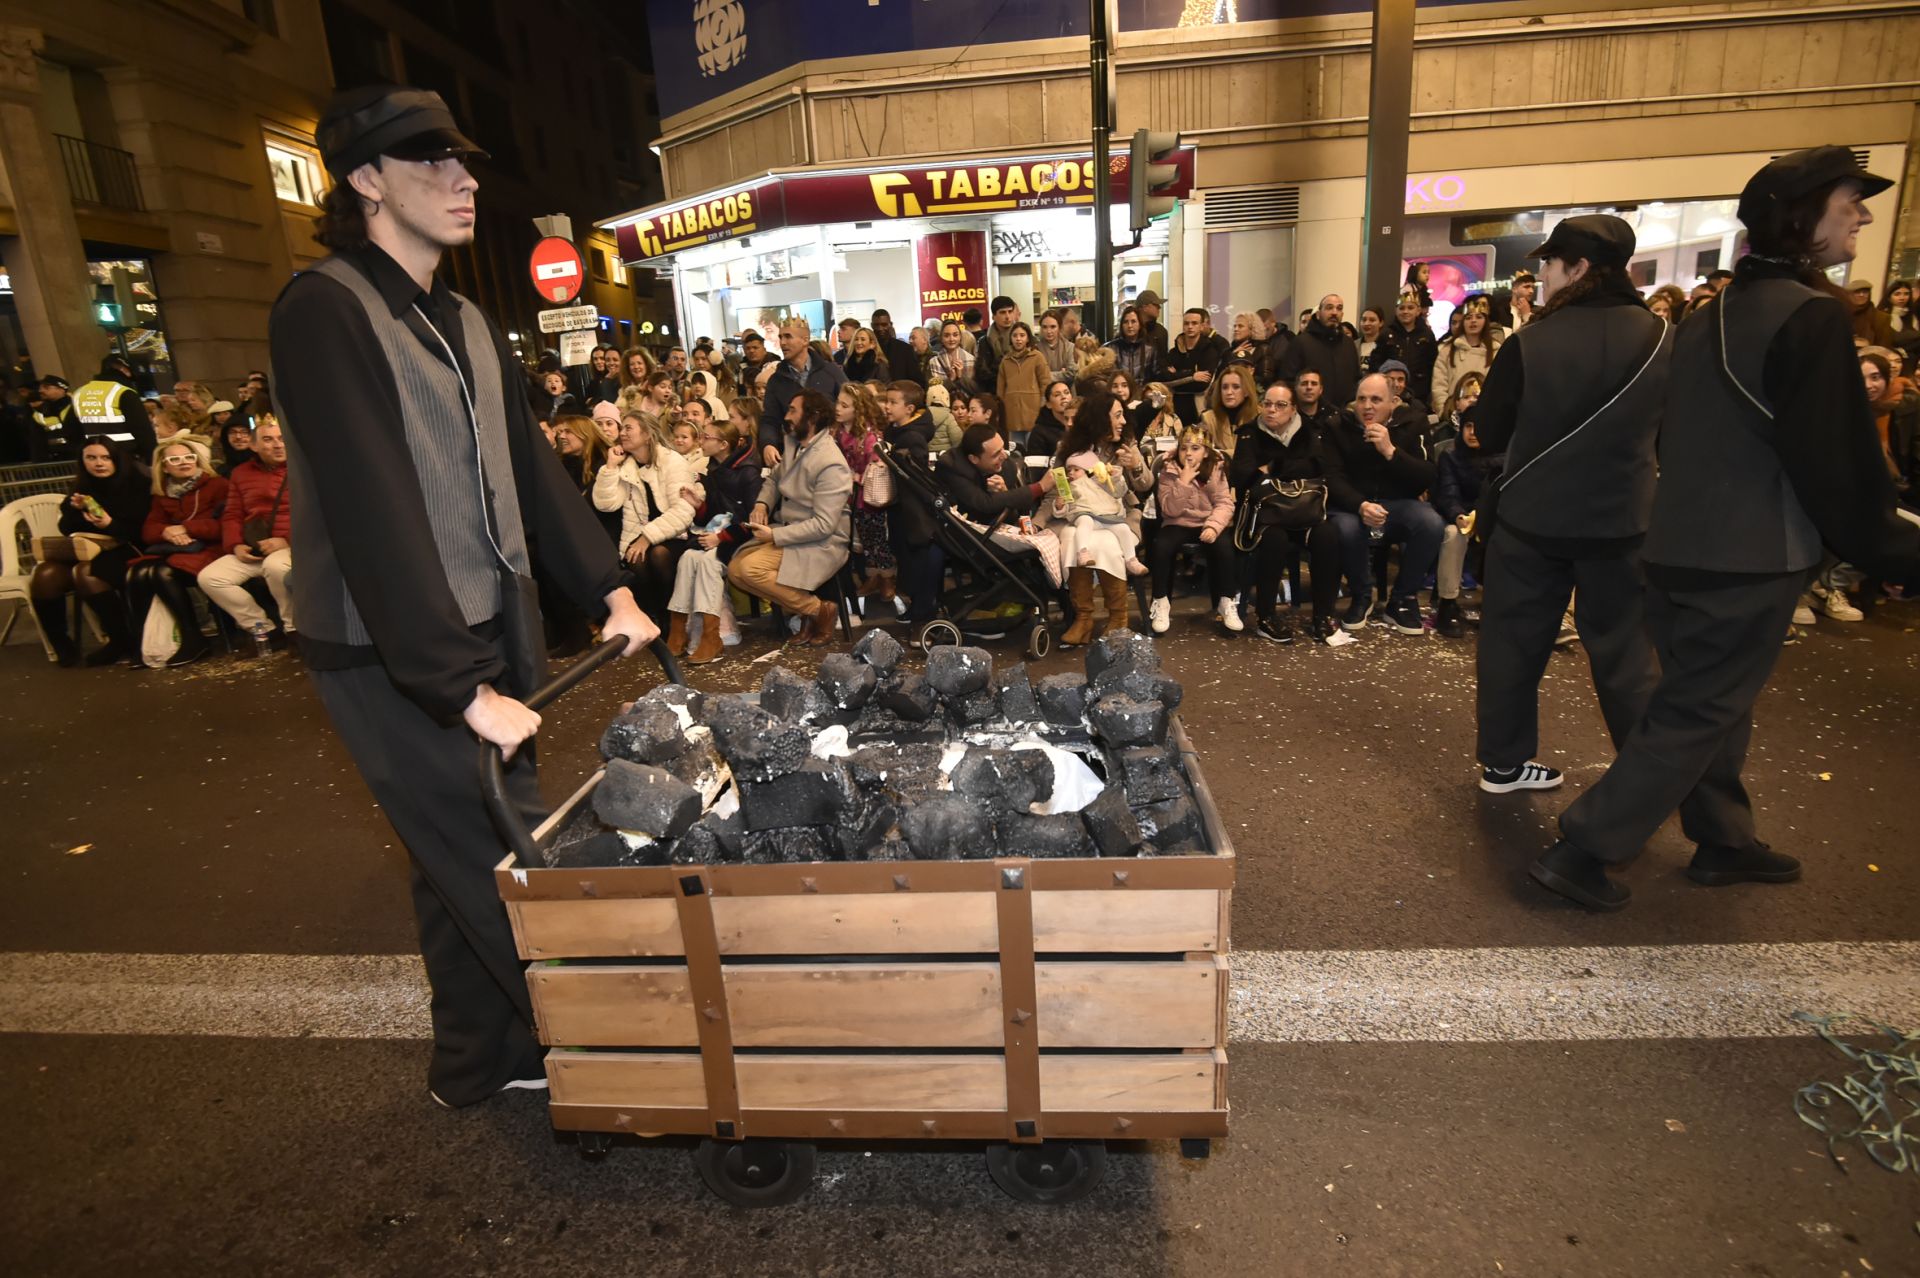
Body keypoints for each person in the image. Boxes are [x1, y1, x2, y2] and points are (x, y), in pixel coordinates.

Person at [270, 85, 658, 1108]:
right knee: (505, 858)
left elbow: (530, 470)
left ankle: (475, 1064)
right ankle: (612, 1056)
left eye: (462, 160)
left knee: (456, 856)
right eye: (429, 161)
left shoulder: (467, 319)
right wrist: (454, 686)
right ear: (365, 181)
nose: (463, 180)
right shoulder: (325, 310)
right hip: (392, 648)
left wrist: (610, 588)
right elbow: (370, 509)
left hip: (495, 619)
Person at [1534, 147, 1920, 912]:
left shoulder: (1709, 315)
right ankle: (1585, 847)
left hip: (1672, 541)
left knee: (1709, 698)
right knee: (1701, 707)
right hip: (1751, 551)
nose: (1863, 218)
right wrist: (1892, 548)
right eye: (1851, 205)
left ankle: (1724, 837)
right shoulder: (1811, 317)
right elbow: (1835, 458)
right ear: (1803, 218)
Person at [1464, 214, 1670, 800]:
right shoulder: (1662, 337)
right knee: (1626, 658)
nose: (1543, 276)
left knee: (1512, 644)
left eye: (1549, 265)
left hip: (1533, 519)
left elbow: (1491, 429)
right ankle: (1647, 781)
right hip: (1622, 522)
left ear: (1578, 268)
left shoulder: (1530, 340)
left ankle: (1503, 765)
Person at [730, 388, 852, 645]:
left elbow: (824, 525)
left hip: (823, 541)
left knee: (750, 570)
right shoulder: (795, 442)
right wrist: (762, 503)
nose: (786, 416)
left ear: (814, 416)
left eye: (793, 410)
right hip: (793, 530)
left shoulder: (831, 462)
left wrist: (774, 534)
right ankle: (811, 610)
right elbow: (775, 477)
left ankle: (820, 611)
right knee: (735, 571)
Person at [1320, 373, 1440, 634]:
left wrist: (1390, 452)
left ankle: (1402, 599)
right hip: (1353, 506)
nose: (1367, 406)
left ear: (1393, 402)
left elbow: (1427, 476)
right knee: (1346, 528)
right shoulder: (1338, 425)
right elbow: (1332, 478)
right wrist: (1361, 505)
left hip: (1397, 504)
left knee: (1431, 523)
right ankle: (1361, 596)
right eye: (1361, 399)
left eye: (1376, 399)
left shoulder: (1414, 423)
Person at [1229, 382, 1342, 643]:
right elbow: (1240, 475)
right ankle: (1266, 616)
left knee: (1327, 535)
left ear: (1293, 410)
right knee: (1275, 539)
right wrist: (1290, 470)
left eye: (1280, 405)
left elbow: (1318, 467)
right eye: (1267, 404)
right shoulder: (1249, 434)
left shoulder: (1310, 431)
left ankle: (1322, 616)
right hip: (1267, 515)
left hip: (1305, 512)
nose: (1271, 410)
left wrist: (1273, 467)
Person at [29, 439, 149, 666]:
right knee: (46, 575)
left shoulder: (137, 485)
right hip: (88, 548)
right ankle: (62, 645)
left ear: (116, 460)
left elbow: (142, 531)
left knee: (87, 572)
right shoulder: (82, 487)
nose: (98, 464)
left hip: (128, 547)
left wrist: (109, 524)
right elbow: (66, 527)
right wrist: (75, 510)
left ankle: (120, 640)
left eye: (105, 458)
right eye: (91, 458)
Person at [666, 401, 764, 664]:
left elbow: (752, 519)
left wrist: (720, 537)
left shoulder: (748, 473)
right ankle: (678, 630)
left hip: (745, 538)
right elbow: (718, 513)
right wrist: (700, 506)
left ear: (724, 445)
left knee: (709, 563)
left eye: (707, 437)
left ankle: (712, 637)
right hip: (721, 533)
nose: (702, 439)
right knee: (687, 559)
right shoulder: (713, 469)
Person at [1046, 391, 1140, 644]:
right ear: (1100, 418)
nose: (1122, 421)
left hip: (1117, 516)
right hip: (1080, 514)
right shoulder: (1067, 450)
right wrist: (1053, 510)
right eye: (1117, 415)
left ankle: (1119, 617)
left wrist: (1135, 467)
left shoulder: (1126, 446)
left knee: (1107, 541)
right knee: (1070, 534)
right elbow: (1058, 491)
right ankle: (1084, 618)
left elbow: (1144, 487)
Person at [127, 437, 228, 667]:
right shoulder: (162, 493)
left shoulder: (217, 485)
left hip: (211, 549)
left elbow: (226, 524)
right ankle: (145, 642)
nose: (183, 463)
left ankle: (193, 637)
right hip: (178, 550)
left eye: (188, 457)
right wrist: (167, 532)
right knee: (138, 573)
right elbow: (149, 530)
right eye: (175, 459)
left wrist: (186, 528)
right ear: (164, 466)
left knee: (162, 573)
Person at [197, 415, 294, 643]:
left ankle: (294, 628)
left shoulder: (302, 469)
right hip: (256, 544)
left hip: (292, 545)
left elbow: (313, 514)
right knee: (211, 577)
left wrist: (286, 540)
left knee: (276, 567)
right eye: (268, 440)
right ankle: (263, 629)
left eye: (281, 438)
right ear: (254, 445)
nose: (278, 444)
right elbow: (232, 513)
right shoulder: (241, 473)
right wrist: (235, 544)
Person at [593, 410, 697, 620]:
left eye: (628, 428)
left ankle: (673, 618)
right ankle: (652, 617)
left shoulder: (672, 461)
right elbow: (606, 504)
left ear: (648, 434)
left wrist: (646, 537)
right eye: (622, 428)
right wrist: (611, 466)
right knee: (636, 559)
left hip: (675, 534)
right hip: (639, 534)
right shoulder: (626, 465)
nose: (622, 433)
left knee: (659, 555)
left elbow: (684, 511)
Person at [1146, 427, 1237, 635]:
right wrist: (1183, 483)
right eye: (1184, 448)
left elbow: (1224, 503)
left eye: (1195, 448)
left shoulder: (1216, 468)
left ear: (1205, 452)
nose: (1188, 453)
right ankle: (1161, 601)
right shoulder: (1168, 470)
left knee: (1224, 547)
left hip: (1207, 521)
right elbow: (1169, 509)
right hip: (1177, 522)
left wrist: (1213, 526)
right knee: (1162, 547)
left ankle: (1226, 600)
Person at [834, 381, 895, 603]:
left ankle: (886, 577)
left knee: (877, 539)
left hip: (870, 496)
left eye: (844, 405)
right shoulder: (839, 432)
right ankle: (873, 577)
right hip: (851, 496)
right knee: (865, 540)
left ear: (857, 409)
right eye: (838, 403)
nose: (838, 409)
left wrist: (857, 477)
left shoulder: (869, 437)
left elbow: (877, 465)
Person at [758, 315, 847, 463]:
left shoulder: (830, 372)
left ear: (805, 340)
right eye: (781, 337)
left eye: (788, 336)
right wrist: (768, 444)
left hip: (833, 452)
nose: (783, 342)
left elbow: (852, 406)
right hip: (796, 455)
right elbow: (770, 419)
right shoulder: (776, 381)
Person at [1282, 294, 1362, 408]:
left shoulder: (1348, 343)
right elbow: (1288, 380)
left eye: (1339, 308)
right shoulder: (1300, 342)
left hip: (1343, 414)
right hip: (1310, 414)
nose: (1334, 312)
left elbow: (1356, 378)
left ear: (1342, 315)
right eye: (1329, 307)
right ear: (1318, 314)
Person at [72, 354, 153, 458]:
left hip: (94, 456)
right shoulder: (124, 392)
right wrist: (152, 459)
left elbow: (73, 431)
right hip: (125, 456)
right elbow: (142, 430)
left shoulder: (79, 393)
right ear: (124, 370)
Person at [1432, 297, 1504, 411]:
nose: (1473, 321)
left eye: (1479, 317)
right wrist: (1445, 411)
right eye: (1468, 318)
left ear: (1486, 321)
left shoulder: (1496, 350)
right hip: (1453, 413)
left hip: (1485, 412)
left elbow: (1500, 386)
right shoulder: (1447, 350)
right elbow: (1439, 386)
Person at [1164, 308, 1229, 425]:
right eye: (1186, 323)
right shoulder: (1173, 352)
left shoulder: (1210, 351)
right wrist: (1192, 376)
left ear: (1201, 326)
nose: (1190, 327)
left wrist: (1176, 376)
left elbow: (1201, 385)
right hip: (1174, 410)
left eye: (1194, 323)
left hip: (1199, 410)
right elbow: (1164, 379)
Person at [995, 321, 1051, 443]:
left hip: (1034, 411)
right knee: (1016, 450)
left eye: (1022, 335)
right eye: (1015, 335)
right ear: (1010, 338)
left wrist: (1043, 404)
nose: (1018, 339)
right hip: (1012, 413)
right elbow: (1000, 389)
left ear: (1028, 338)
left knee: (1033, 448)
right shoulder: (1006, 361)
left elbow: (1045, 383)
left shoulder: (1037, 357)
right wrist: (1001, 409)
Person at [1197, 362, 1256, 455]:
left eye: (1236, 387)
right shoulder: (1208, 418)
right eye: (1224, 387)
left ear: (1246, 391)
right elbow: (1203, 453)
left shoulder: (1260, 417)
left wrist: (1224, 454)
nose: (1229, 392)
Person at [1103, 305, 1161, 388]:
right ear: (1121, 325)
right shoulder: (1110, 349)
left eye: (1133, 321)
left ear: (1140, 324)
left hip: (1142, 396)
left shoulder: (1150, 350)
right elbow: (1103, 377)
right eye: (1126, 322)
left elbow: (1156, 379)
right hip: (1117, 396)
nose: (1129, 326)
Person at [973, 296, 1019, 391]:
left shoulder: (1023, 337)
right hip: (994, 390)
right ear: (993, 316)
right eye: (1002, 312)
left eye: (1010, 312)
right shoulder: (984, 342)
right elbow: (982, 373)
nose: (1007, 317)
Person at [31, 375, 80, 461]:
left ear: (61, 389)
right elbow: (37, 442)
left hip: (79, 456)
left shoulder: (77, 406)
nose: (40, 391)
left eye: (46, 387)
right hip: (55, 461)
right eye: (40, 388)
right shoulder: (39, 413)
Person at [1847, 280, 1895, 348]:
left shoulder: (1881, 317)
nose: (1861, 295)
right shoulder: (1841, 314)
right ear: (1849, 295)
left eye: (1865, 292)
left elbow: (1884, 346)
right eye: (1857, 292)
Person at [929, 320, 976, 387]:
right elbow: (934, 391)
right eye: (946, 335)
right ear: (941, 338)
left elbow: (975, 389)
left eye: (955, 335)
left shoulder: (971, 360)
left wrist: (960, 377)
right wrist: (950, 379)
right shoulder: (934, 362)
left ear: (960, 337)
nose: (951, 339)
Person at [924, 382, 964, 454]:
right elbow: (957, 440)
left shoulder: (923, 416)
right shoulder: (949, 417)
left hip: (927, 457)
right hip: (946, 457)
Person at [1035, 309, 1075, 377]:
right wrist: (1061, 373)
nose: (1049, 331)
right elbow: (1036, 374)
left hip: (1065, 386)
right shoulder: (1036, 348)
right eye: (1045, 327)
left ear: (1059, 327)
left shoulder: (1070, 347)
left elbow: (1071, 374)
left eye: (1053, 327)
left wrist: (1047, 374)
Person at [1133, 290, 1171, 359]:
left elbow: (1164, 359)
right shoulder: (1131, 330)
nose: (1159, 307)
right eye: (1156, 305)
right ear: (1145, 308)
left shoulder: (1161, 331)